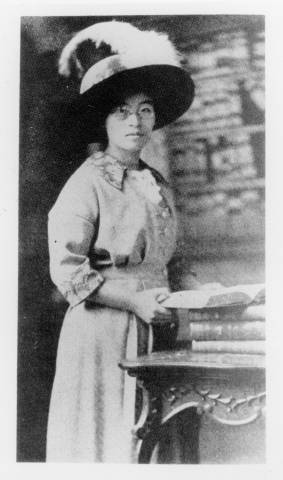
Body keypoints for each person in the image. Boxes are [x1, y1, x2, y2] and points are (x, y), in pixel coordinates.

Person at [46, 20, 195, 463]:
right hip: (104, 330)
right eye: (122, 111)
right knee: (110, 438)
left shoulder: (156, 183)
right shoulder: (86, 183)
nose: (135, 121)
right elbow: (67, 270)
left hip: (159, 325)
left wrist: (199, 291)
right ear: (104, 119)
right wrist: (133, 302)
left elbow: (175, 256)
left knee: (155, 440)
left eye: (145, 110)